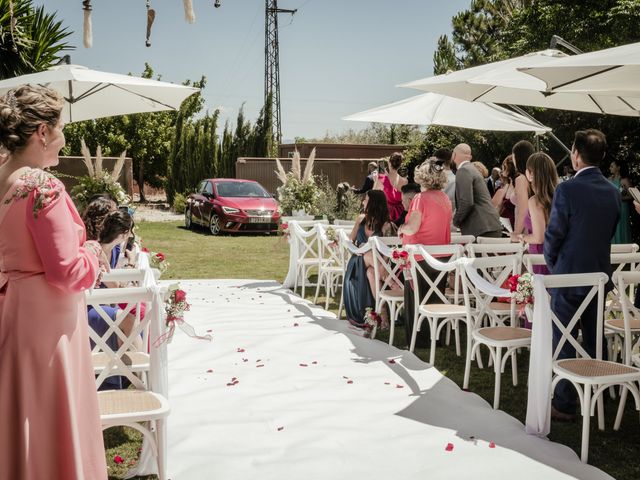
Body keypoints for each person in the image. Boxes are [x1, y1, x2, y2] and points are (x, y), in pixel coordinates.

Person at [0, 86, 108, 478]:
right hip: (48, 330)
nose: (63, 138)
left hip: (13, 317)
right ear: (42, 132)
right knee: (51, 419)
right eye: (61, 128)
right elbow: (66, 270)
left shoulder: (3, 178)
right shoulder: (43, 188)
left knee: (22, 420)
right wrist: (96, 250)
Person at [544, 129, 620, 421]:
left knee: (563, 339)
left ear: (575, 154)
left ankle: (564, 404)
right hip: (599, 277)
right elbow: (607, 234)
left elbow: (554, 235)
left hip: (569, 277)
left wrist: (555, 265)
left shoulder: (567, 189)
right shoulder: (613, 193)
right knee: (592, 337)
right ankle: (594, 396)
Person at [398, 158, 452, 348]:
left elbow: (412, 228)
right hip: (441, 256)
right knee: (435, 298)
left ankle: (418, 340)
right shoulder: (444, 198)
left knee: (417, 299)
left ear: (422, 177)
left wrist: (401, 229)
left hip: (420, 257)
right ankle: (435, 338)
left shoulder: (420, 199)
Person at [343, 190, 395, 325]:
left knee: (371, 273)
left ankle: (382, 312)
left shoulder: (385, 224)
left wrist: (382, 265)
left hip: (378, 265)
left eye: (366, 199)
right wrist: (357, 250)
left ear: (373, 202)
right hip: (358, 261)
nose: (363, 202)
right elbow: (349, 242)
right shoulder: (361, 219)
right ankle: (392, 283)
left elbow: (387, 252)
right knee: (368, 254)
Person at [511, 152, 558, 275]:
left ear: (531, 174)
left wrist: (521, 237)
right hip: (557, 254)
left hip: (541, 256)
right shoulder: (560, 196)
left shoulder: (535, 201)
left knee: (542, 292)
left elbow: (538, 237)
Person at [451, 143, 502, 238]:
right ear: (470, 156)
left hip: (480, 228)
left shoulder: (463, 171)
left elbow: (466, 202)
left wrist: (456, 221)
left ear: (454, 155)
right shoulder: (473, 169)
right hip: (489, 226)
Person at [374, 152, 407, 223]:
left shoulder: (382, 178)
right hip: (401, 214)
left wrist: (376, 180)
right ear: (400, 165)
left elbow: (373, 193)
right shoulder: (405, 181)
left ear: (389, 162)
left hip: (385, 213)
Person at [512, 140, 536, 235]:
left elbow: (523, 211)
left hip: (525, 229)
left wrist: (516, 234)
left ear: (517, 157)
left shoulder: (521, 179)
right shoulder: (537, 176)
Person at [609, 159, 633, 244]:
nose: (610, 168)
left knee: (621, 227)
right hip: (612, 208)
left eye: (612, 166)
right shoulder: (609, 180)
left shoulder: (624, 180)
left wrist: (619, 197)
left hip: (622, 208)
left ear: (618, 168)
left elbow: (631, 196)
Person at [491, 154, 517, 229]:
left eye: (505, 167)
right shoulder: (508, 185)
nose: (502, 170)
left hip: (514, 225)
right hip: (504, 226)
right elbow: (499, 206)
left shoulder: (518, 184)